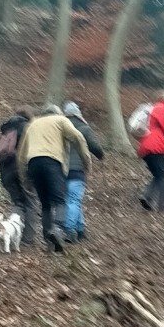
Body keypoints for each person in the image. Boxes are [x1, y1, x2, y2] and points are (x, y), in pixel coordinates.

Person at [17, 105, 91, 252]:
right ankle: (57, 229)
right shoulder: (61, 120)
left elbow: (21, 154)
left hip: (33, 163)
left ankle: (49, 243)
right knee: (60, 199)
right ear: (57, 113)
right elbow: (78, 137)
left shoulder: (32, 124)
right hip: (52, 161)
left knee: (45, 204)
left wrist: (23, 175)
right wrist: (86, 160)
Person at [61, 101, 104, 242]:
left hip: (61, 169)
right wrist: (101, 155)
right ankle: (69, 230)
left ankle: (80, 229)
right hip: (77, 170)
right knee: (73, 199)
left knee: (71, 199)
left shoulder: (60, 127)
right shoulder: (84, 128)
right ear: (78, 113)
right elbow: (94, 147)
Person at [0, 110, 33, 236]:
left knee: (17, 202)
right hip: (21, 169)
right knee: (30, 202)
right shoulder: (27, 128)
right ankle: (28, 237)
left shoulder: (5, 129)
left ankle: (10, 232)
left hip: (5, 171)